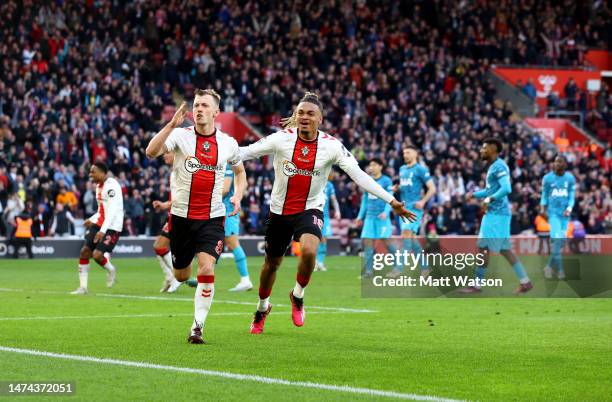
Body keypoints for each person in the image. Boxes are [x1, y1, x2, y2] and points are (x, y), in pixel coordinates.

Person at [239, 92, 415, 334]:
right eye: (300, 112)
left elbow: (359, 175)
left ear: (320, 118)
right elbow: (244, 152)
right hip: (279, 210)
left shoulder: (331, 146)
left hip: (311, 207)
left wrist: (391, 200)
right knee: (271, 265)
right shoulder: (281, 139)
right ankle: (262, 308)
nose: (304, 117)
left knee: (310, 251)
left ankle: (298, 295)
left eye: (310, 113)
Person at [145, 88, 246, 344]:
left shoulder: (228, 143)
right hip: (180, 218)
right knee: (182, 274)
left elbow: (240, 172)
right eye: (196, 105)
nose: (199, 109)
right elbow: (151, 151)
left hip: (212, 218)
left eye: (204, 105)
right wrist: (170, 125)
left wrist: (238, 195)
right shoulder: (180, 135)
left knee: (207, 266)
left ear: (216, 112)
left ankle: (197, 327)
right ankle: (183, 279)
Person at [463, 138, 532, 294]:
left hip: (496, 214)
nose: (481, 150)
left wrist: (489, 199)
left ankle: (476, 285)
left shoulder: (499, 166)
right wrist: (473, 195)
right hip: (497, 214)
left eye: (484, 148)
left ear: (493, 149)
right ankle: (525, 282)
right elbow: (490, 190)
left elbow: (506, 188)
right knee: (504, 250)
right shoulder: (494, 166)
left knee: (483, 247)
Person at [71, 162, 124, 295]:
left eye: (93, 172)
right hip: (101, 223)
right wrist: (92, 219)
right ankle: (83, 288)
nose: (90, 174)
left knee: (97, 255)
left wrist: (102, 231)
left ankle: (111, 270)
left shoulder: (112, 187)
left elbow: (111, 212)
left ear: (102, 173)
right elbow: (102, 210)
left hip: (113, 226)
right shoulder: (98, 187)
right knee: (84, 252)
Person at [388, 145, 436, 278]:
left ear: (416, 154)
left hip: (415, 208)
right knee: (412, 239)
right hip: (403, 208)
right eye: (403, 153)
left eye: (408, 152)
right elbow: (405, 186)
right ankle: (425, 267)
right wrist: (397, 188)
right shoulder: (402, 169)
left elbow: (432, 188)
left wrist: (423, 201)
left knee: (405, 235)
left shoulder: (421, 169)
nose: (405, 155)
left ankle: (399, 268)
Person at [355, 158, 398, 278]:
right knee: (367, 243)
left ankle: (397, 267)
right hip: (369, 217)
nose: (371, 167)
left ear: (380, 167)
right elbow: (365, 200)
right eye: (370, 165)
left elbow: (391, 197)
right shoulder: (367, 180)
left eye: (374, 165)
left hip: (382, 218)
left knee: (387, 242)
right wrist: (360, 216)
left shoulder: (386, 181)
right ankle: (368, 272)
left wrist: (386, 212)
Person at [540, 155, 575, 279]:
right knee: (557, 240)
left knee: (558, 244)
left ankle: (548, 267)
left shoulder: (570, 178)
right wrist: (542, 207)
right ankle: (560, 271)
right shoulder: (548, 178)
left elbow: (571, 196)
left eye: (560, 162)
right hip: (553, 214)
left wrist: (569, 208)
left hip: (564, 216)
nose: (557, 164)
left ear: (565, 164)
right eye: (555, 162)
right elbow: (544, 194)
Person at [152, 151, 182, 293]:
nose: (164, 156)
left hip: (180, 215)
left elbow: (182, 197)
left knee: (160, 246)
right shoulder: (174, 172)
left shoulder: (181, 171)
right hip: (173, 214)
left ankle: (176, 277)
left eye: (167, 153)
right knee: (158, 247)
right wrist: (165, 204)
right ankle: (171, 277)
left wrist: (165, 205)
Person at [222, 163, 253, 291]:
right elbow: (244, 185)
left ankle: (245, 279)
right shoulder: (234, 167)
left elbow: (225, 188)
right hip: (224, 209)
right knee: (214, 241)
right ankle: (204, 276)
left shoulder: (228, 167)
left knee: (232, 242)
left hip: (228, 210)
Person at [315, 175, 341, 272]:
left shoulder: (329, 185)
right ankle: (314, 262)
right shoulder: (313, 181)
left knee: (323, 239)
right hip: (313, 214)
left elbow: (333, 199)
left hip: (324, 216)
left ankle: (320, 262)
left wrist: (337, 211)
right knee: (314, 239)